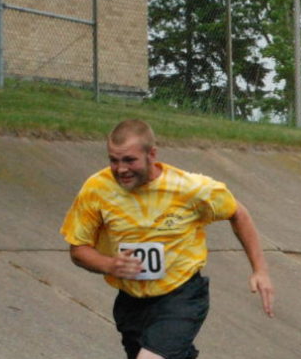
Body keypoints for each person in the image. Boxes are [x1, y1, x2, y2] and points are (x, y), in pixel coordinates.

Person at [61, 119, 275, 359]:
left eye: (129, 160)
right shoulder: (96, 189)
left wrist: (260, 270)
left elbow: (238, 214)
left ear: (152, 154)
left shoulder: (189, 188)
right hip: (131, 304)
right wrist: (110, 264)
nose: (121, 169)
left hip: (181, 296)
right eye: (114, 160)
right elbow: (78, 249)